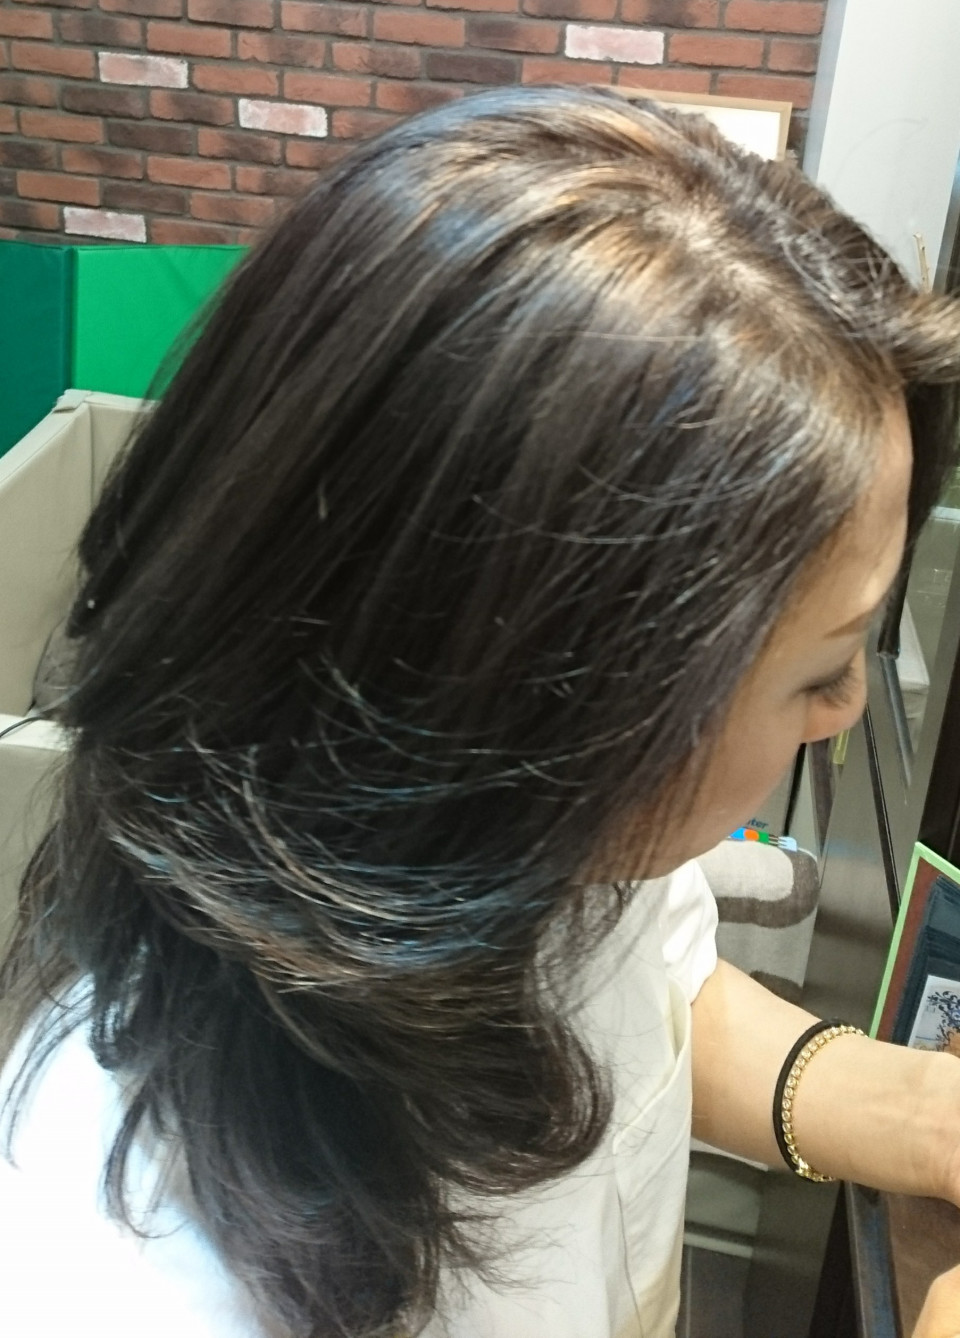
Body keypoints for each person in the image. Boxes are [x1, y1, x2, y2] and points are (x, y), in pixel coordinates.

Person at [3, 86, 960, 1338]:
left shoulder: (556, 841)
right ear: (548, 718)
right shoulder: (145, 1281)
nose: (843, 710)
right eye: (820, 669)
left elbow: (662, 997)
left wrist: (916, 1116)